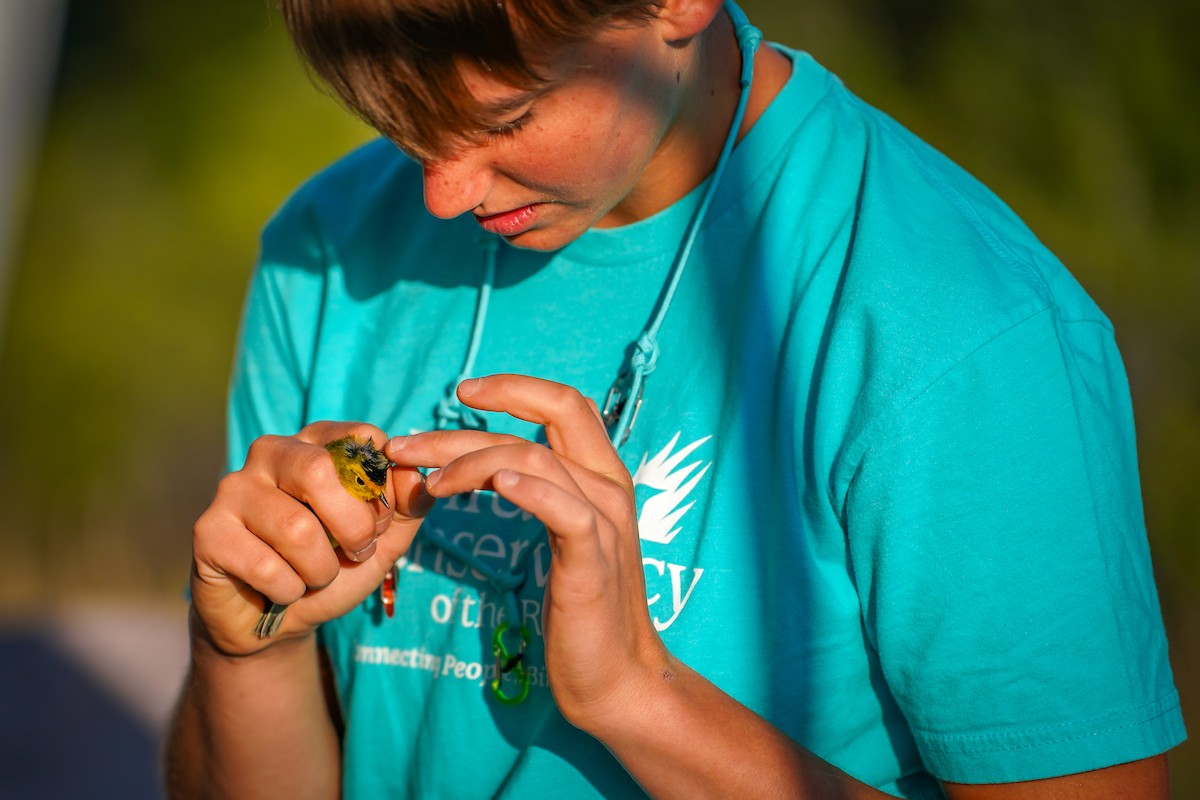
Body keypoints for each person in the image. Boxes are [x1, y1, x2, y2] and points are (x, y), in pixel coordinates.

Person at [164, 0, 1186, 796]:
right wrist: (250, 641)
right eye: (399, 122)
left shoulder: (962, 327)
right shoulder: (328, 251)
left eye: (504, 117)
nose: (440, 193)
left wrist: (638, 697)